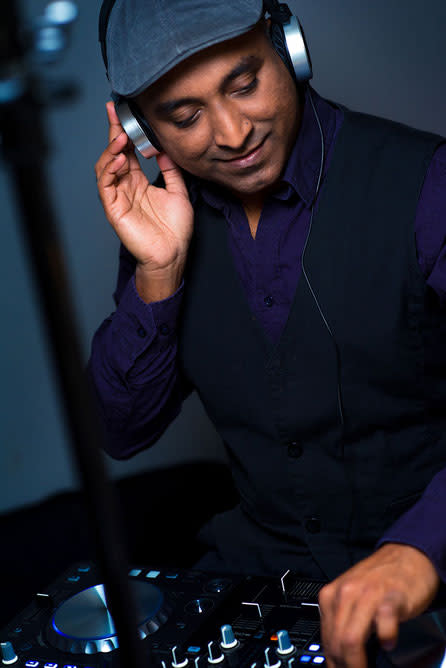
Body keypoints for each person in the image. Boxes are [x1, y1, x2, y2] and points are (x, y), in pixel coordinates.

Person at [90, 1, 446, 665]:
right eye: (185, 116)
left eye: (245, 82)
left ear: (288, 47)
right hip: (258, 583)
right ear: (141, 129)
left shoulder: (427, 182)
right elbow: (119, 431)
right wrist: (157, 275)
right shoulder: (162, 222)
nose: (232, 134)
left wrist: (422, 548)